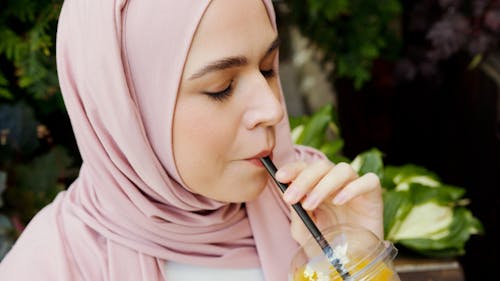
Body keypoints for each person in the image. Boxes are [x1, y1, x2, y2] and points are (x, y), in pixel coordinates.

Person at [0, 0, 383, 280]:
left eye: (267, 69)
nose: (272, 109)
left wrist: (356, 261)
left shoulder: (316, 202)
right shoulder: (52, 266)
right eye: (221, 88)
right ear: (129, 112)